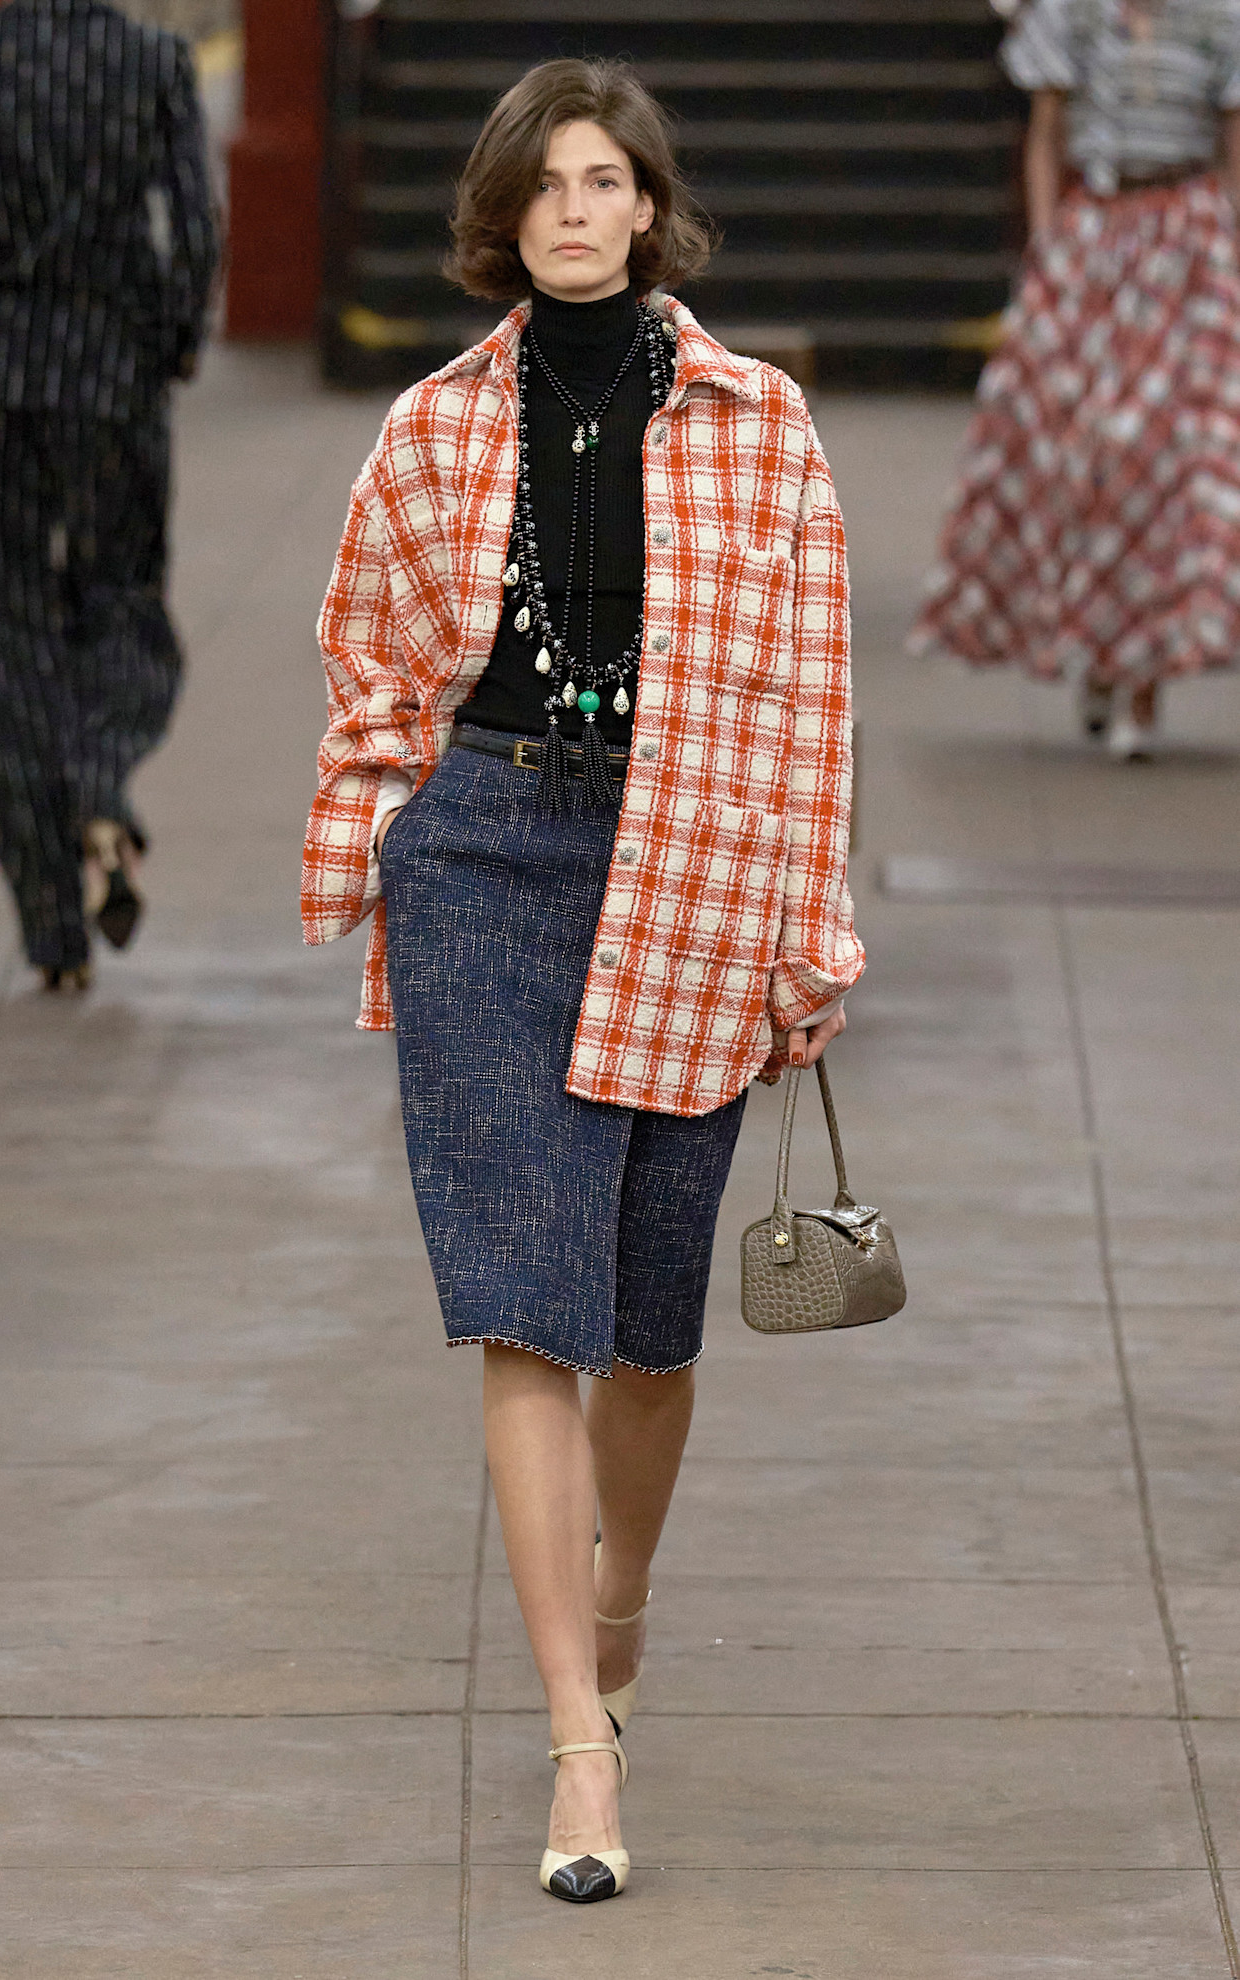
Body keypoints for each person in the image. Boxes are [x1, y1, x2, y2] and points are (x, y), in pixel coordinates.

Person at [302, 58, 861, 1904]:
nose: (568, 208)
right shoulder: (433, 426)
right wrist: (390, 836)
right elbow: (369, 658)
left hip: (689, 861)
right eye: (538, 180)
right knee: (517, 1305)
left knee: (645, 1325)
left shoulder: (758, 422)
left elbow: (805, 704)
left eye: (601, 178)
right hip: (482, 864)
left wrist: (804, 927)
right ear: (499, 209)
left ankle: (620, 1586)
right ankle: (574, 1744)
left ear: (646, 206)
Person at [0, 0, 219, 990]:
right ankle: (100, 779)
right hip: (112, 370)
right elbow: (196, 232)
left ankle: (51, 925)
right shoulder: (156, 61)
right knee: (121, 592)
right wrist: (165, 343)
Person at [910, 0, 1240, 761]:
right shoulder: (1072, 13)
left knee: (1163, 457)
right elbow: (1045, 134)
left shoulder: (1216, 18)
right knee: (1077, 451)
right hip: (1093, 234)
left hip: (1185, 242)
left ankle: (1141, 680)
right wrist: (1045, 242)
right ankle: (1098, 649)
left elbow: (1231, 147)